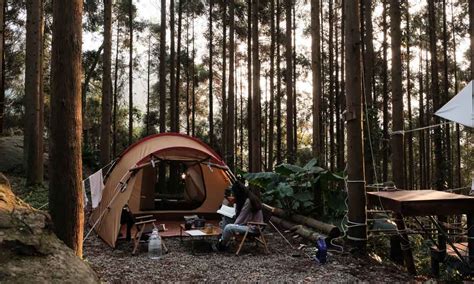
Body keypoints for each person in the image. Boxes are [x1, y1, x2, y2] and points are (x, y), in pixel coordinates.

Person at [216, 181, 263, 251]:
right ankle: (222, 240)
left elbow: (242, 217)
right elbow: (242, 215)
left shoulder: (249, 201)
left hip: (253, 227)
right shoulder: (246, 198)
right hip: (248, 223)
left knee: (228, 227)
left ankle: (222, 244)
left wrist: (233, 226)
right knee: (225, 219)